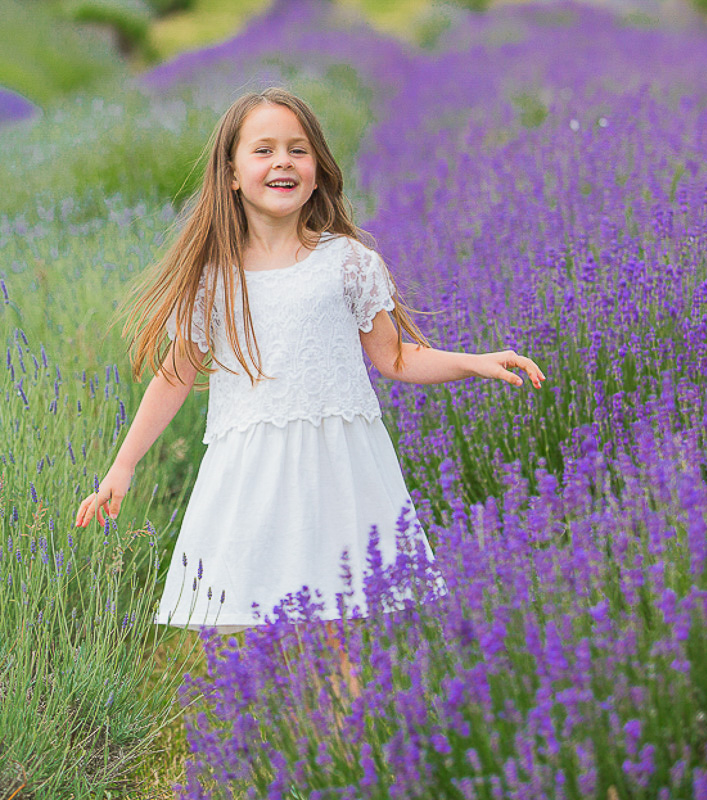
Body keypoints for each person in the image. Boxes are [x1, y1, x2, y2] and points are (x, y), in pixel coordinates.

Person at [75, 88, 545, 638]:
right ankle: (262, 722)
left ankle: (335, 724)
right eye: (264, 150)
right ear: (230, 174)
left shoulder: (347, 261)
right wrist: (123, 466)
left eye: (298, 150)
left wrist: (474, 361)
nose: (282, 162)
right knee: (246, 623)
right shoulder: (214, 278)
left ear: (318, 171)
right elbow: (174, 375)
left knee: (336, 625)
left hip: (337, 468)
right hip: (250, 470)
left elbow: (394, 356)